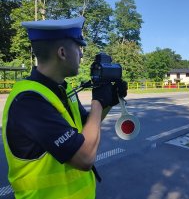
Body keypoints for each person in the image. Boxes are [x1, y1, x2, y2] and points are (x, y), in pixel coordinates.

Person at [1, 17, 127, 199]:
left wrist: (108, 101)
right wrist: (97, 102)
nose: (82, 55)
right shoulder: (29, 101)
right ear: (62, 52)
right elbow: (85, 158)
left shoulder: (63, 88)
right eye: (78, 47)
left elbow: (87, 127)